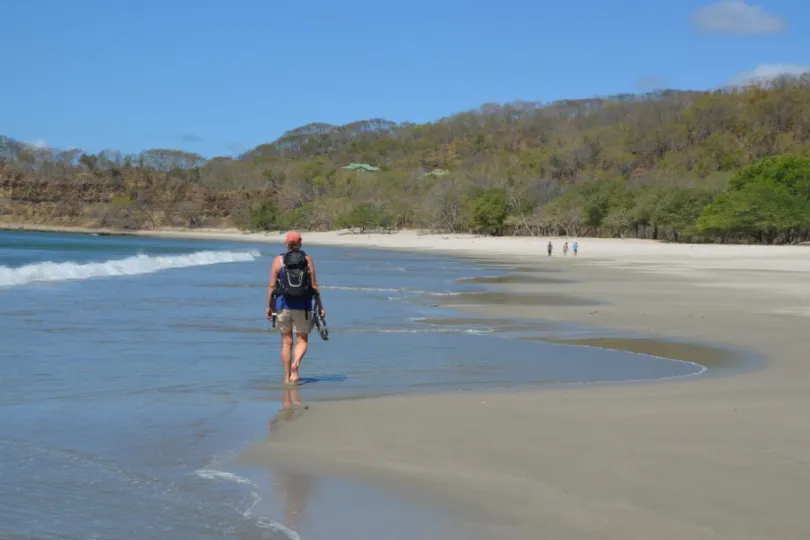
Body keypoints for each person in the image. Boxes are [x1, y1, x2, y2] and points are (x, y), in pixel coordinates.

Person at [266, 231, 326, 384]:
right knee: (302, 339)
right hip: (303, 305)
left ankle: (286, 378)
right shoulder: (307, 260)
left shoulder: (278, 260)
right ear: (300, 243)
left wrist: (269, 306)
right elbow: (314, 285)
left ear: (286, 244)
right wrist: (320, 306)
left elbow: (272, 285)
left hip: (282, 305)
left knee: (286, 342)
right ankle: (296, 365)